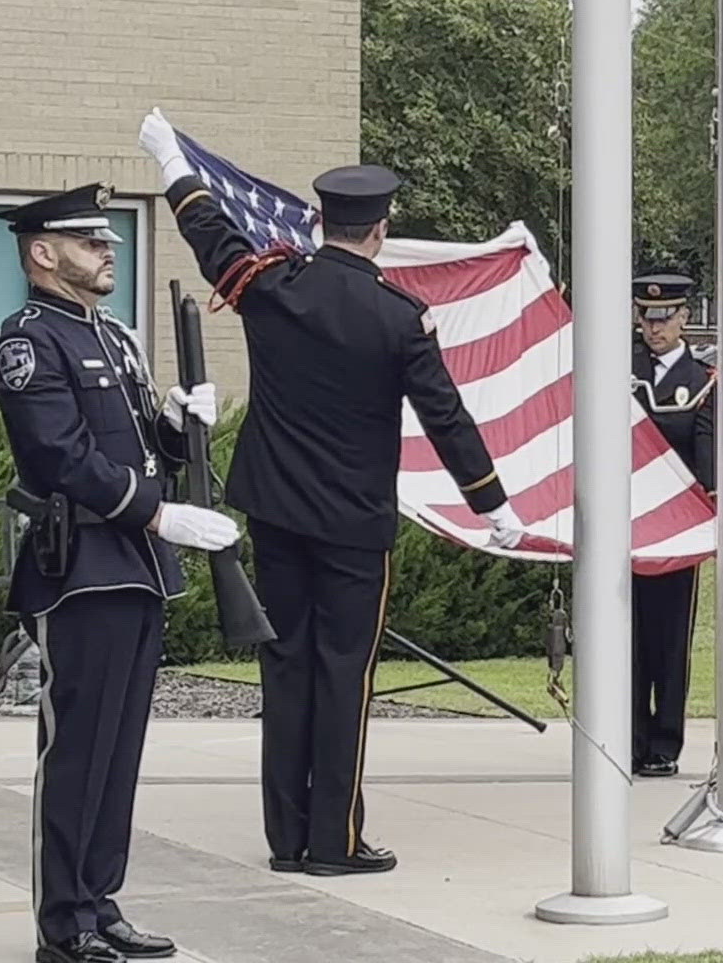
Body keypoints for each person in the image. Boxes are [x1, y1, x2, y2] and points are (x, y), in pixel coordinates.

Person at [136, 108, 525, 876]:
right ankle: (333, 841)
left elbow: (211, 236)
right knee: (344, 674)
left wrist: (171, 164)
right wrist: (493, 504)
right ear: (379, 230)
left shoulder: (274, 285)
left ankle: (286, 838)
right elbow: (445, 417)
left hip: (275, 512)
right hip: (353, 524)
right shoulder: (398, 316)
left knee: (286, 670)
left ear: (319, 224)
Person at [0, 182, 241, 963]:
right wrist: (159, 514)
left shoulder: (115, 337)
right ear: (43, 253)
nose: (108, 253)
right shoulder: (29, 340)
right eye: (91, 243)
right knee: (77, 751)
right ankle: (62, 925)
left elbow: (137, 449)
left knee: (119, 749)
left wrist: (174, 424)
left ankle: (100, 903)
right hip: (81, 566)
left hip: (134, 565)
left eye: (107, 243)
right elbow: (60, 457)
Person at [628, 271, 716, 778]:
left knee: (670, 638)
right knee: (628, 637)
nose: (653, 327)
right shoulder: (623, 371)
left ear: (684, 318)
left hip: (677, 527)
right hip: (630, 522)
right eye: (646, 317)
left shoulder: (702, 380)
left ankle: (665, 741)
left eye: (663, 318)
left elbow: (705, 457)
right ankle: (631, 734)